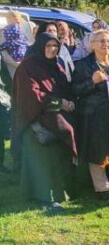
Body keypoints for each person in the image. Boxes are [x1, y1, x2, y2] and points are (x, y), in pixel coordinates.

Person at [11, 32, 77, 210]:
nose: (52, 49)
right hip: (35, 121)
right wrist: (59, 102)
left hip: (56, 116)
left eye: (55, 46)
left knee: (66, 134)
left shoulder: (56, 66)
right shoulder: (27, 67)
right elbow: (31, 95)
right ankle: (45, 195)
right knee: (44, 158)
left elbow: (65, 88)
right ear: (40, 46)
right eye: (48, 46)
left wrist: (70, 102)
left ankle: (63, 191)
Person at [71, 30, 109, 198]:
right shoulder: (82, 65)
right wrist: (92, 81)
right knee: (96, 150)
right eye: (101, 41)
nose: (106, 44)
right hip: (93, 115)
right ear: (92, 44)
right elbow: (74, 89)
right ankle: (101, 187)